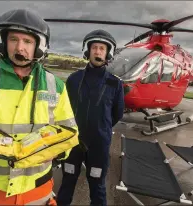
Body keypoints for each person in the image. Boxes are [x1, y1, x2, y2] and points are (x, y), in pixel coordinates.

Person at [0, 9, 77, 205]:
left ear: (39, 46)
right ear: (4, 43)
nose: (20, 48)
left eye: (27, 41)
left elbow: (70, 131)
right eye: (13, 39)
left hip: (38, 190)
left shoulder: (56, 86)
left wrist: (57, 152)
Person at [56, 29, 125, 206]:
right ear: (88, 51)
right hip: (73, 143)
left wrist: (100, 128)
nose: (97, 51)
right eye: (94, 47)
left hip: (99, 145)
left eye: (102, 48)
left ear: (107, 53)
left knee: (97, 186)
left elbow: (117, 114)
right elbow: (64, 109)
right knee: (67, 181)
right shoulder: (73, 79)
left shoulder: (115, 83)